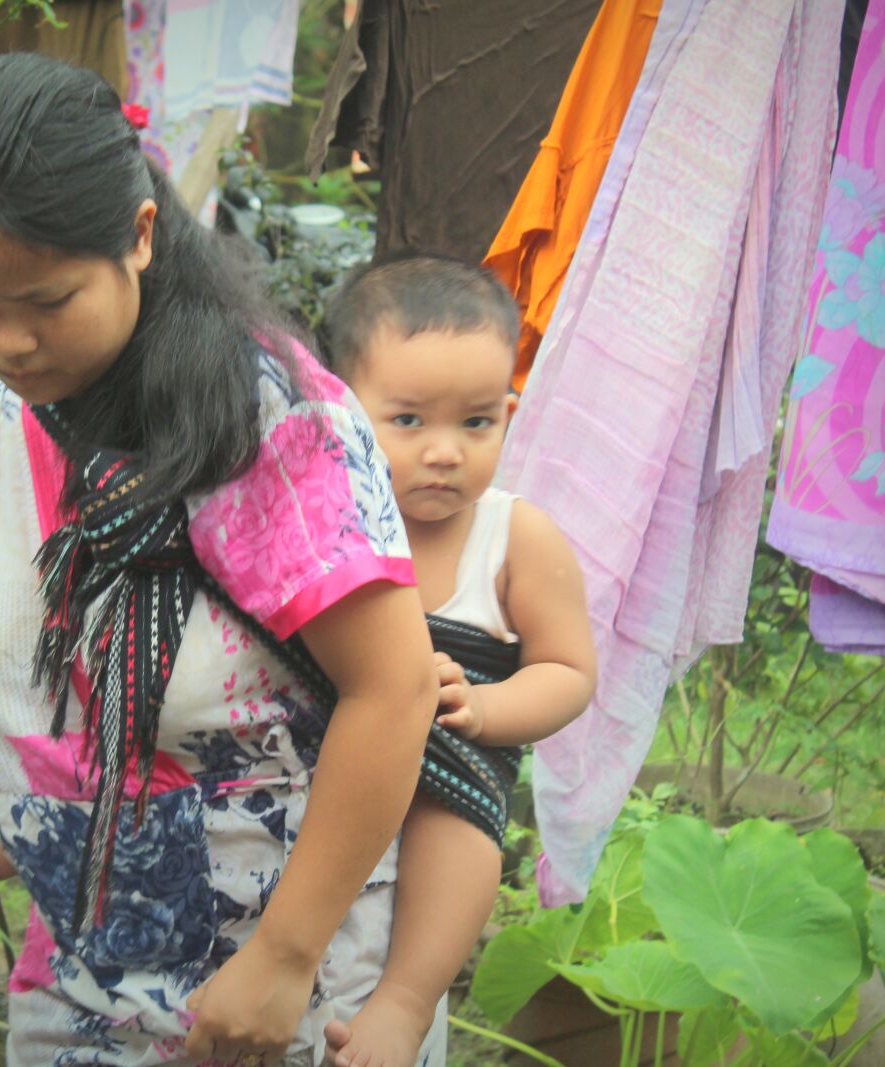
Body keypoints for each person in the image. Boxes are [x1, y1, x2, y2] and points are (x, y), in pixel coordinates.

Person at [0, 54, 444, 1066]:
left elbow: (393, 689)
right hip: (81, 982)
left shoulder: (271, 421)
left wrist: (283, 953)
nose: (9, 340)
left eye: (48, 299)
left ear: (138, 235)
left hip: (297, 992)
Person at [317, 256, 597, 1067]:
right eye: (408, 421)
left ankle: (407, 1000)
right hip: (330, 756)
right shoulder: (320, 513)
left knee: (461, 829)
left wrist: (485, 708)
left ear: (510, 412)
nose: (445, 451)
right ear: (340, 411)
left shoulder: (517, 536)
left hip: (453, 748)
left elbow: (569, 671)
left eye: (476, 423)